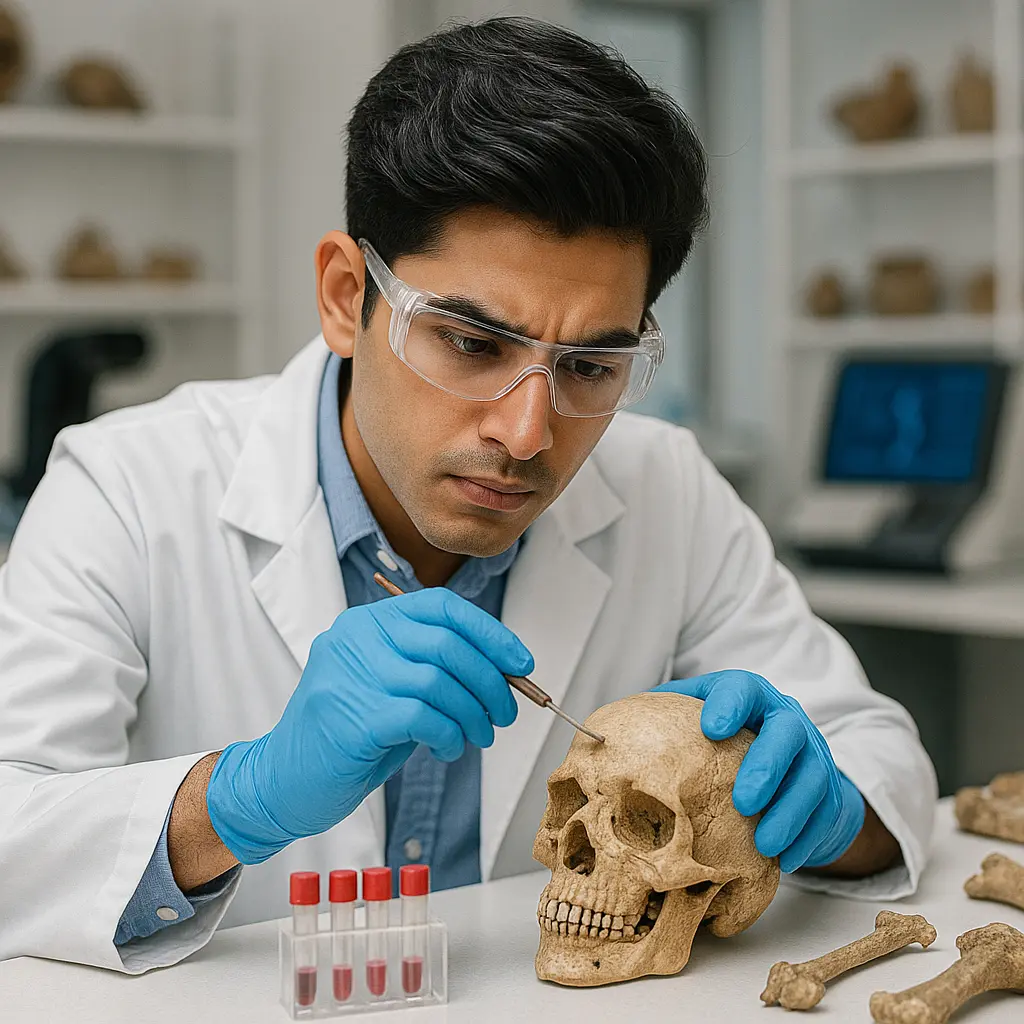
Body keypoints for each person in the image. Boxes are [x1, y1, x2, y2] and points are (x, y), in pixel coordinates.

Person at [0, 18, 936, 975]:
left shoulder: (668, 488)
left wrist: (825, 812)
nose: (526, 433)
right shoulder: (125, 486)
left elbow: (877, 755)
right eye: (474, 344)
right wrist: (239, 798)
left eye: (591, 364)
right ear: (342, 296)